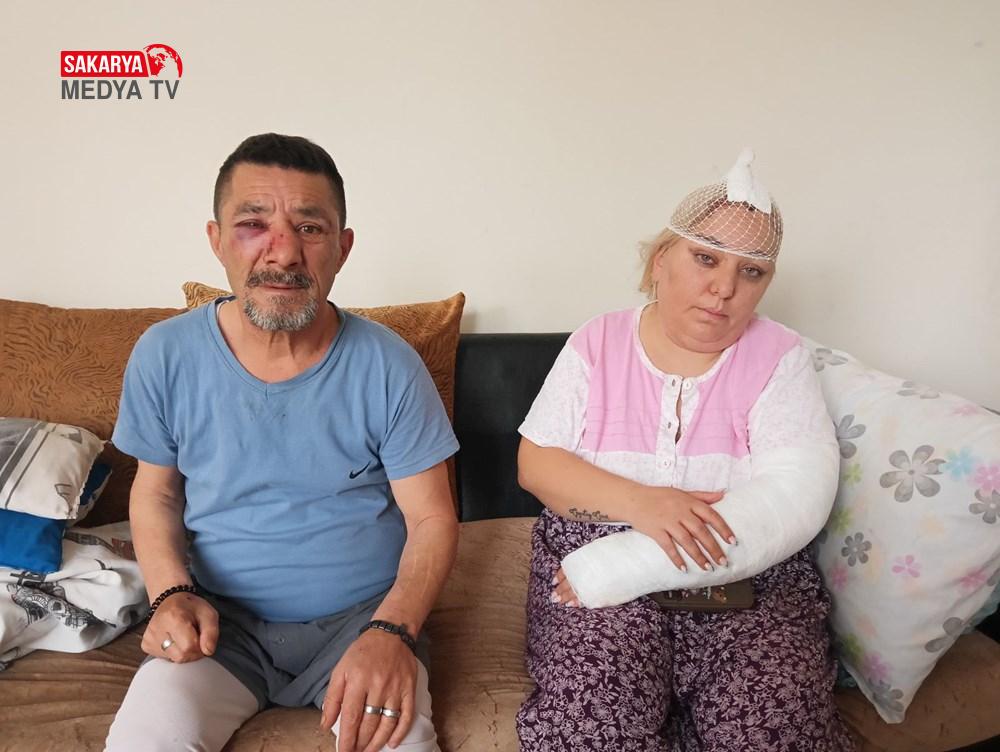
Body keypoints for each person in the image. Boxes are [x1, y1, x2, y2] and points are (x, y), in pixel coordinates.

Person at [105, 133, 458, 752]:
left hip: (365, 622)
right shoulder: (164, 354)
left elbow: (431, 518)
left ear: (342, 248)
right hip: (218, 624)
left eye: (310, 228)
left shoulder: (389, 364)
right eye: (253, 224)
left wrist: (394, 633)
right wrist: (171, 595)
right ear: (217, 239)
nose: (285, 252)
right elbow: (156, 494)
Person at [515, 149, 856, 751]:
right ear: (660, 260)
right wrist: (643, 505)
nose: (724, 288)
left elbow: (796, 493)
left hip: (748, 583)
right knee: (590, 725)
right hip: (597, 571)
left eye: (752, 272)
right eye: (706, 258)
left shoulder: (780, 356)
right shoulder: (598, 341)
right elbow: (536, 465)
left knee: (775, 728)